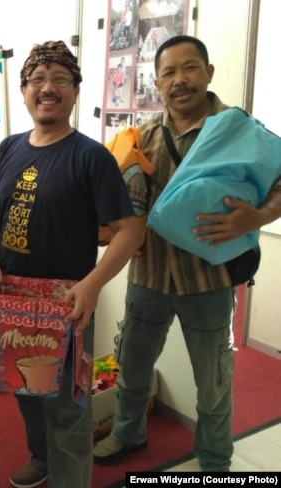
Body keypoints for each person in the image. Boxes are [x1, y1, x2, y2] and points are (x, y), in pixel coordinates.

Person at [92, 35, 281, 472]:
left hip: (208, 283)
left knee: (213, 384)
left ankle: (215, 461)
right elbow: (124, 205)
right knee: (133, 368)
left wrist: (256, 217)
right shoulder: (143, 138)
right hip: (147, 278)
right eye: (169, 73)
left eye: (189, 68)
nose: (180, 80)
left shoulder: (239, 130)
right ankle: (127, 433)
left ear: (208, 73)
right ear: (156, 84)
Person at [0, 40, 142, 488]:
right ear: (24, 88)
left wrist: (93, 285)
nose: (48, 88)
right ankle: (41, 458)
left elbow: (129, 230)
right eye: (38, 80)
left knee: (68, 404)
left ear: (74, 91)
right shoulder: (9, 149)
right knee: (27, 390)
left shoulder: (91, 157)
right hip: (13, 296)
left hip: (66, 301)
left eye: (60, 80)